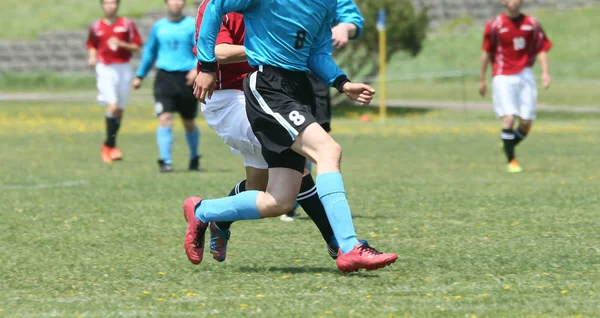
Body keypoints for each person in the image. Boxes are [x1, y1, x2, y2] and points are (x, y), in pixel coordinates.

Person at [187, 0, 398, 272]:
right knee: (327, 151)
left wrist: (342, 82)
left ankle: (202, 211)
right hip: (266, 86)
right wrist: (206, 67)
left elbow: (317, 53)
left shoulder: (325, 4)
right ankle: (348, 246)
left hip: (299, 88)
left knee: (278, 200)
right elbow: (215, 7)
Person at [281, 1, 363, 222]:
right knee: (298, 143)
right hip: (279, 73)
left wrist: (345, 27)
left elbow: (354, 21)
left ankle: (301, 201)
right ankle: (292, 198)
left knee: (319, 144)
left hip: (317, 73)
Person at [479, 0, 552, 173]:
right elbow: (486, 52)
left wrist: (545, 72)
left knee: (526, 122)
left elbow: (541, 48)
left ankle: (508, 143)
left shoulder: (532, 23)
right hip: (503, 75)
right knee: (509, 118)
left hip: (525, 74)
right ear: (503, 2)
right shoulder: (494, 26)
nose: (514, 2)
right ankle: (511, 160)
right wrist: (482, 78)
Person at [133, 0, 201, 173]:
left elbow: (201, 48)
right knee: (165, 118)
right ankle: (165, 161)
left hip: (187, 78)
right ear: (166, 3)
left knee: (188, 122)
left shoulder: (192, 25)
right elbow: (150, 52)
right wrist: (140, 75)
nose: (176, 3)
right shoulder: (159, 27)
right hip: (164, 78)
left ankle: (194, 157)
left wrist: (196, 69)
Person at [87, 0, 142, 163]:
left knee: (120, 110)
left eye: (113, 3)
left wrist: (121, 44)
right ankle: (108, 146)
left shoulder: (127, 24)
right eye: (107, 3)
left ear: (118, 5)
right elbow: (92, 44)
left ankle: (110, 145)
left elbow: (137, 46)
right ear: (102, 5)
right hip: (105, 68)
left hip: (123, 68)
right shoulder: (96, 26)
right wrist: (92, 57)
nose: (110, 6)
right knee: (112, 105)